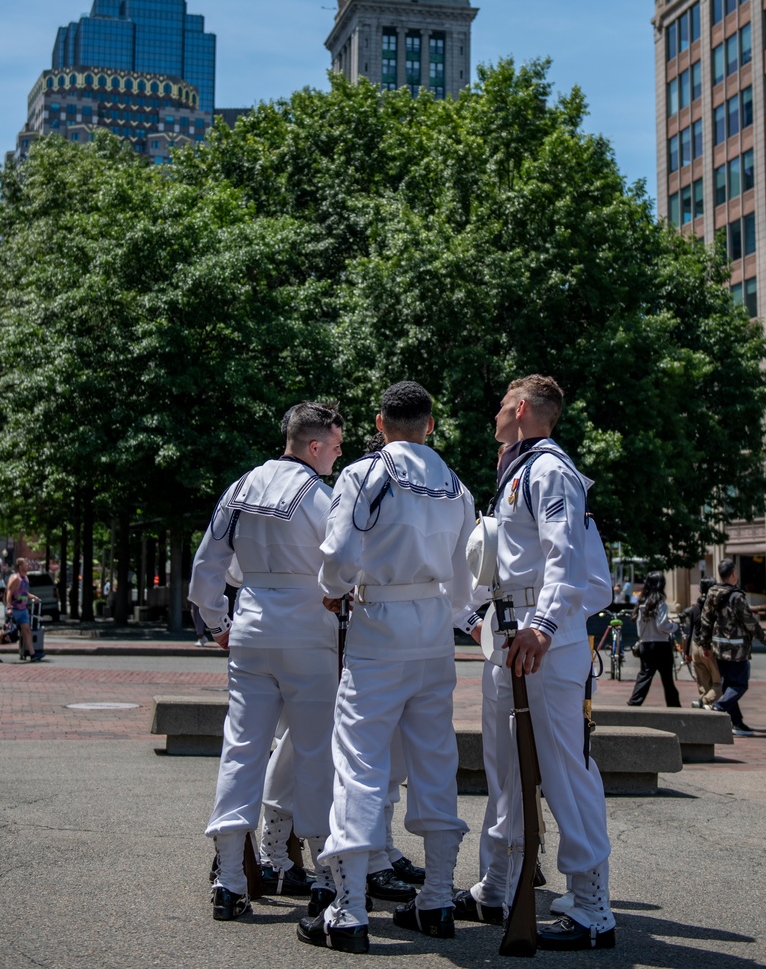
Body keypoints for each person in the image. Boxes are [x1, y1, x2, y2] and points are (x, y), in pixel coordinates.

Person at [298, 381, 474, 954]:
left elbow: (340, 554)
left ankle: (348, 910)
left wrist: (336, 589)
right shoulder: (456, 485)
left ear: (380, 422)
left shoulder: (363, 474)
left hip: (378, 624)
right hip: (432, 629)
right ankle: (439, 898)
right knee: (434, 761)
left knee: (360, 762)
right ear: (430, 423)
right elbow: (465, 577)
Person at [455, 375, 615, 951]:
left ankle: (592, 906)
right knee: (505, 769)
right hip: (509, 632)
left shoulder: (549, 470)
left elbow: (563, 553)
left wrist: (544, 626)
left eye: (501, 406)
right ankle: (499, 885)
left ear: (521, 410)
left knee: (564, 770)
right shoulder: (517, 470)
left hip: (543, 637)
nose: (494, 415)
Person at [189, 401, 344, 923]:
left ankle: (230, 879)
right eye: (335, 447)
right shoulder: (324, 496)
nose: (337, 456)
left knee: (242, 751)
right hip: (308, 628)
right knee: (316, 750)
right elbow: (344, 565)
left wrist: (215, 624)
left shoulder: (241, 487)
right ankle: (325, 877)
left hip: (250, 624)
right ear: (314, 446)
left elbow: (206, 564)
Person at [700, 557, 766, 736]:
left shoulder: (712, 593)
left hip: (719, 646)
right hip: (737, 649)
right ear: (734, 574)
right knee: (740, 684)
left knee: (728, 685)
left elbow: (705, 620)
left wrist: (705, 644)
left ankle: (737, 723)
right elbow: (750, 623)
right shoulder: (736, 596)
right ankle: (719, 707)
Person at [626, 572, 681, 708]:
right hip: (661, 644)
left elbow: (639, 627)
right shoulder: (660, 603)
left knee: (645, 675)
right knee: (667, 678)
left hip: (645, 643)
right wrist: (674, 626)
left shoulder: (642, 603)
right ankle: (674, 706)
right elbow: (662, 624)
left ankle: (634, 702)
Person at [0, 559, 41, 662]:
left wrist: (33, 597)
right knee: (5, 631)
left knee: (27, 630)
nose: (27, 565)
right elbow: (9, 592)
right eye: (25, 564)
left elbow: (24, 594)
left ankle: (33, 655)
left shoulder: (25, 578)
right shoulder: (15, 578)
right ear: (20, 566)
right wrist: (9, 607)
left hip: (23, 609)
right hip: (14, 609)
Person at [683, 578, 720, 708]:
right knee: (719, 683)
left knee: (704, 685)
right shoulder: (715, 607)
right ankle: (703, 703)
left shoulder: (694, 609)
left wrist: (686, 652)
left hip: (695, 647)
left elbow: (690, 631)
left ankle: (706, 710)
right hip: (709, 648)